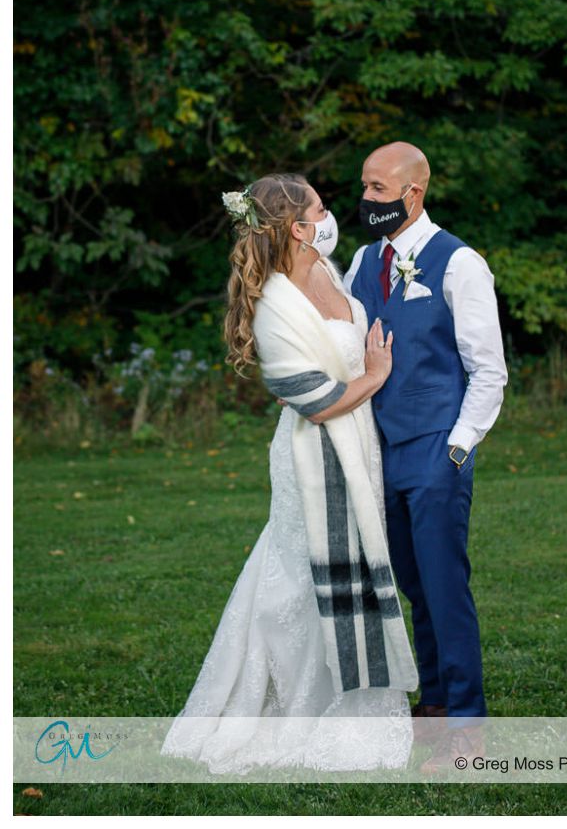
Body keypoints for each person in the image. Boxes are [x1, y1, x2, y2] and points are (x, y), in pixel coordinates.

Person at [161, 173, 418, 775]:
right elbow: (318, 401)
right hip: (316, 452)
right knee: (302, 581)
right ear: (297, 227)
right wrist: (376, 375)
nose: (330, 217)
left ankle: (354, 692)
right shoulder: (274, 302)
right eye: (320, 210)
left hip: (361, 446)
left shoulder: (327, 268)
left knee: (348, 569)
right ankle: (294, 707)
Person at [344, 142, 508, 771]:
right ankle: (435, 702)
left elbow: (487, 371)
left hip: (437, 450)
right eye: (364, 187)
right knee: (412, 586)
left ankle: (465, 727)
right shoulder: (363, 260)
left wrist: (458, 449)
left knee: (444, 586)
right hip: (377, 452)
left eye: (379, 189)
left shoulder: (459, 263)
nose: (367, 200)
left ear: (414, 192)